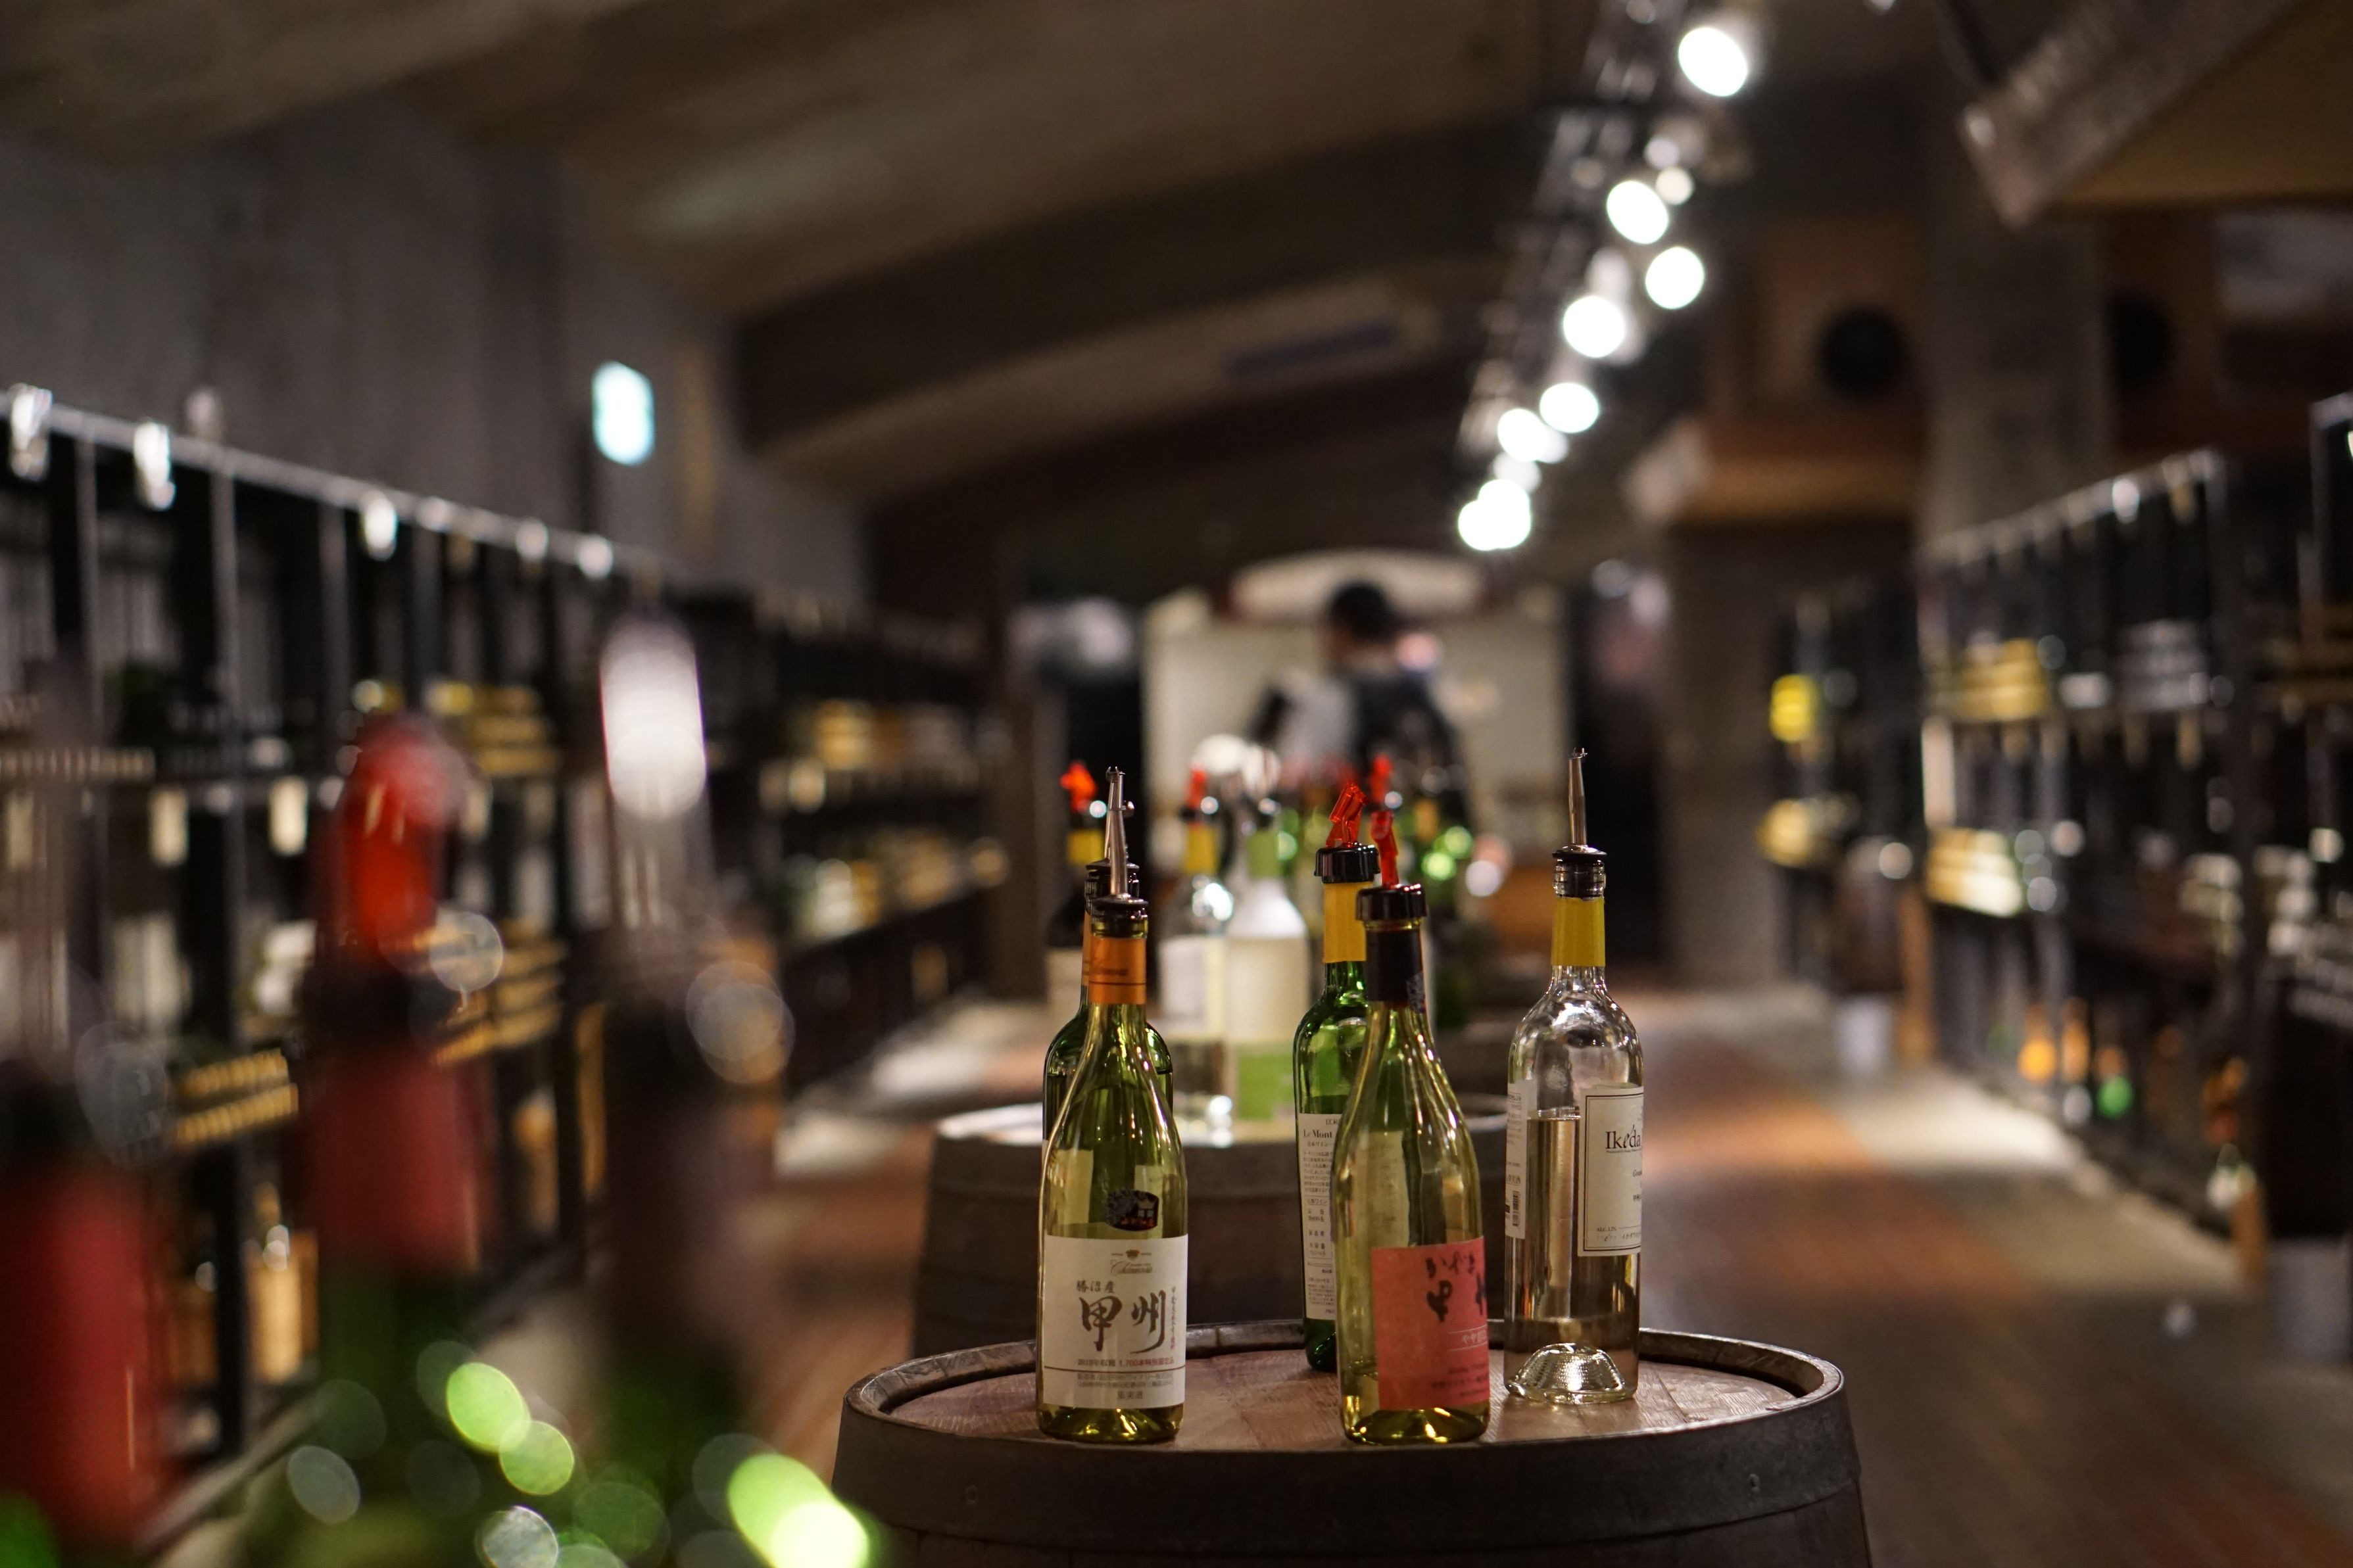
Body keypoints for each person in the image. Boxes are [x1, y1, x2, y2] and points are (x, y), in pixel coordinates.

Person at [1249, 581, 1466, 799]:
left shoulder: (1327, 696)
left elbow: (1293, 773)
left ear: (1340, 629)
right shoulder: (1428, 692)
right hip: (1421, 813)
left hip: (1353, 816)